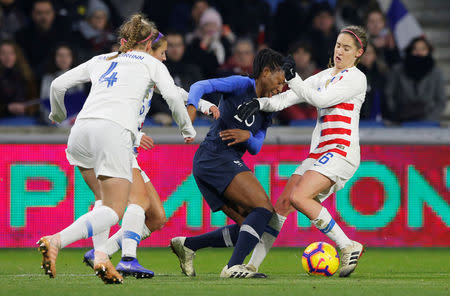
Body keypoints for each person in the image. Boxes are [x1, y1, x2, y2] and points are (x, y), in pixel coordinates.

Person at [37, 14, 196, 284]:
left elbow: (57, 84)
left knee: (102, 200)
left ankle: (101, 256)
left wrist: (57, 113)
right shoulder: (149, 62)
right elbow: (171, 95)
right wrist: (187, 129)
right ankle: (56, 240)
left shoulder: (102, 59)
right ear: (148, 45)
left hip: (81, 131)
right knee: (115, 210)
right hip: (113, 132)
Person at [82, 32, 219, 278]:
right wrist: (134, 134)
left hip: (125, 147)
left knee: (156, 217)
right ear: (147, 51)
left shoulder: (145, 73)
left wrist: (203, 105)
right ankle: (126, 258)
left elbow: (175, 92)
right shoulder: (130, 74)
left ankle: (101, 252)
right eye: (161, 53)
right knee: (137, 203)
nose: (165, 58)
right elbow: (110, 110)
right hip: (115, 143)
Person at [237, 25, 368, 277]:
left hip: (341, 150)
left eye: (347, 48)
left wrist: (293, 77)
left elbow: (319, 100)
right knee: (284, 203)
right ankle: (251, 265)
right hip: (319, 153)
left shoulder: (355, 78)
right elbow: (288, 98)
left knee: (299, 197)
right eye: (338, 45)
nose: (340, 51)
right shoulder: (324, 75)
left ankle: (347, 245)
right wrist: (259, 103)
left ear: (358, 53)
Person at [170, 48, 286, 278]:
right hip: (215, 155)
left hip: (214, 162)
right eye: (279, 81)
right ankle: (233, 267)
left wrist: (247, 137)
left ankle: (189, 245)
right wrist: (191, 107)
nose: (280, 88)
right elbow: (200, 87)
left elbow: (256, 147)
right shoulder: (241, 84)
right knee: (263, 209)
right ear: (265, 72)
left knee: (251, 226)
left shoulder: (266, 108)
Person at [384, 36, 446, 123]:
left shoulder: (436, 72)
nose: (419, 52)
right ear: (410, 50)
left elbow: (441, 101)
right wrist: (397, 114)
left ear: (428, 51)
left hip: (428, 122)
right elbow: (389, 94)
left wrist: (429, 119)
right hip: (401, 120)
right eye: (415, 49)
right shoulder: (397, 70)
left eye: (423, 49)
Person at [0, 40, 38, 118]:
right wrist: (7, 108)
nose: (7, 57)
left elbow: (36, 100)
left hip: (26, 119)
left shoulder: (27, 75)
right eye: (3, 53)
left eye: (11, 53)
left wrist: (27, 108)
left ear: (17, 55)